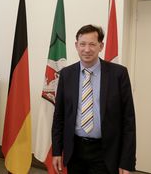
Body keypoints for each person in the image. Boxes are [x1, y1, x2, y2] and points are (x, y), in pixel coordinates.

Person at [52, 24, 136, 174]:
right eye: (82, 44)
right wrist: (57, 151)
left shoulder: (118, 74)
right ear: (76, 45)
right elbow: (59, 117)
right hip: (75, 151)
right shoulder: (66, 74)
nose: (87, 49)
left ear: (101, 46)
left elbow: (128, 121)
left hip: (105, 152)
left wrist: (127, 160)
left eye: (92, 44)